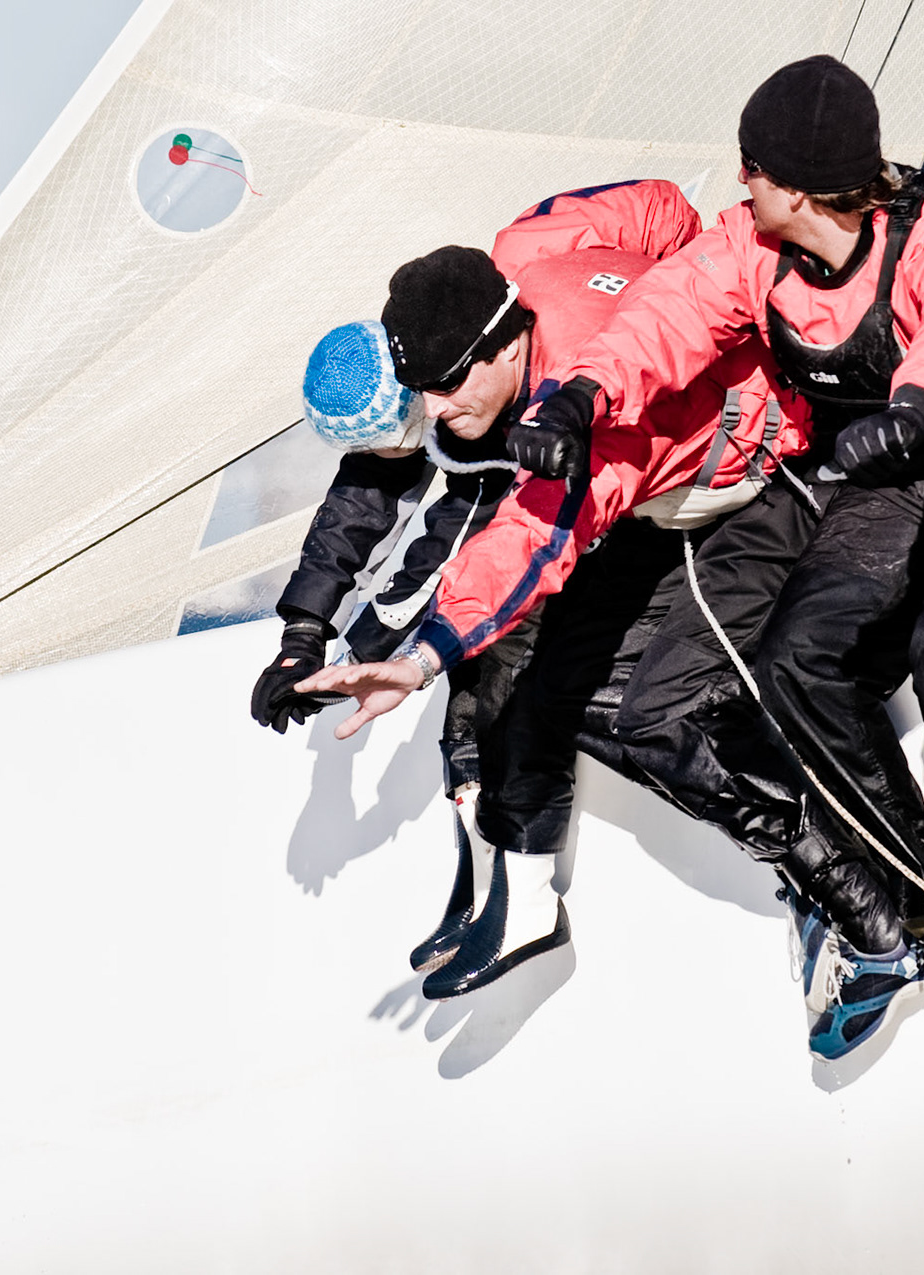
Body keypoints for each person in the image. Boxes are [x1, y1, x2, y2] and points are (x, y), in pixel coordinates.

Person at [361, 56, 924, 1058]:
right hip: (870, 468)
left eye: (751, 168)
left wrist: (916, 406)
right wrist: (583, 401)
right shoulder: (751, 244)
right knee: (784, 666)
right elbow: (661, 319)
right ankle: (911, 902)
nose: (736, 183)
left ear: (795, 182)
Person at [251, 180, 705, 996]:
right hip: (551, 469)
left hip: (600, 469)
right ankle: (483, 864)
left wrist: (693, 291)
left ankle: (515, 881)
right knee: (468, 652)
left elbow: (431, 574)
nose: (404, 442)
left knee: (497, 663)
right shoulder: (428, 372)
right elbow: (361, 504)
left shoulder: (473, 397)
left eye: (404, 431)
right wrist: (301, 633)